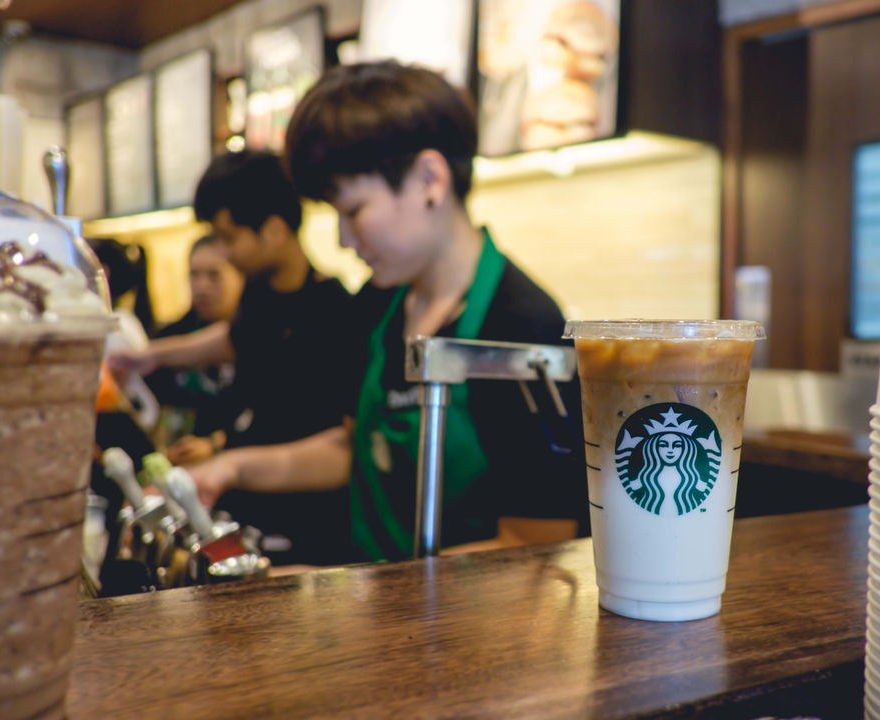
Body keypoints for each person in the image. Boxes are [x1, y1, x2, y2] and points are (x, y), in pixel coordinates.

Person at [188, 60, 587, 564]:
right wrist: (232, 468)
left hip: (472, 632)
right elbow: (352, 448)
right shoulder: (379, 306)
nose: (343, 239)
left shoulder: (520, 327)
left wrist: (375, 600)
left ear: (429, 179)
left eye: (353, 211)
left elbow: (538, 545)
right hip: (386, 614)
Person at [107, 150, 358, 565]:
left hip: (305, 532)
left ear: (274, 231)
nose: (224, 253)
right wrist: (148, 358)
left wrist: (228, 462)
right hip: (245, 510)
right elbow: (233, 339)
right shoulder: (262, 295)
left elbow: (342, 447)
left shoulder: (335, 313)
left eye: (229, 238)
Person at [144, 234, 244, 465]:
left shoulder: (257, 338)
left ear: (241, 276)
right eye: (194, 275)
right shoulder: (167, 339)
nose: (201, 286)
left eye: (213, 275)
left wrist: (214, 444)